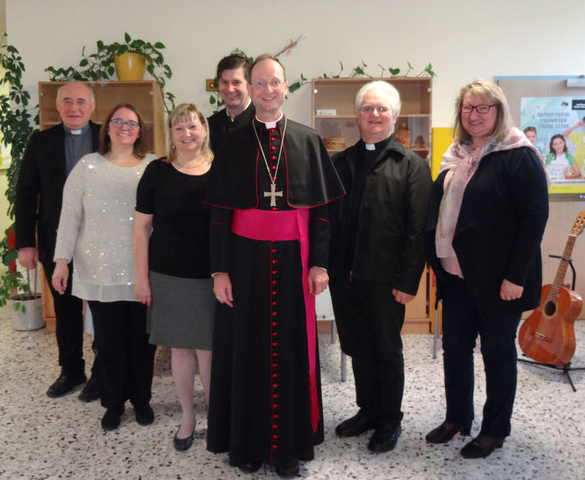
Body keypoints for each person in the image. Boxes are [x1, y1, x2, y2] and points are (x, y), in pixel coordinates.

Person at [205, 54, 345, 478]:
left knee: (290, 349)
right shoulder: (230, 141)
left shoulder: (306, 140)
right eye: (259, 82)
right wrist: (220, 270)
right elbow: (217, 213)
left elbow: (322, 212)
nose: (268, 89)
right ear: (249, 87)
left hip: (293, 260)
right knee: (244, 346)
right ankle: (246, 444)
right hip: (243, 260)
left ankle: (289, 447)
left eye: (275, 82)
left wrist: (319, 264)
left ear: (287, 88)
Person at [424, 80, 548, 459]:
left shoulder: (518, 155)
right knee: (456, 349)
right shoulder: (456, 153)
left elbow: (534, 218)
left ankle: (495, 428)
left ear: (498, 112)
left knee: (496, 353)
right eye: (467, 108)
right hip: (457, 273)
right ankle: (457, 417)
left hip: (499, 280)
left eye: (482, 108)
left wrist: (515, 277)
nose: (474, 115)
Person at [328, 81, 432, 453]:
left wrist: (408, 280)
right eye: (367, 108)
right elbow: (328, 221)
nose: (374, 115)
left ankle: (390, 419)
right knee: (357, 345)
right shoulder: (339, 162)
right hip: (345, 275)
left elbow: (419, 229)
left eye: (382, 109)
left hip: (387, 281)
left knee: (386, 349)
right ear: (357, 115)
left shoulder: (412, 166)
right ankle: (367, 410)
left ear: (394, 115)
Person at [52, 103, 157, 431]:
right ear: (107, 128)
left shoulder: (153, 166)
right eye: (118, 121)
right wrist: (61, 261)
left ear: (140, 130)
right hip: (98, 268)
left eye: (132, 122)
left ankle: (141, 400)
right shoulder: (88, 166)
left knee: (143, 341)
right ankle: (113, 403)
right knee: (109, 343)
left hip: (142, 271)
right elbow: (70, 214)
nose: (124, 127)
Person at [133, 104, 214, 452]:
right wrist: (142, 279)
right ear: (171, 134)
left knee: (209, 351)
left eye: (192, 127)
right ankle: (187, 417)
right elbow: (140, 228)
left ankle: (215, 417)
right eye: (179, 129)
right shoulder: (157, 171)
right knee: (180, 349)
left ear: (204, 130)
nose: (186, 134)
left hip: (213, 275)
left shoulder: (221, 170)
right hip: (168, 273)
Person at [15, 81, 100, 402]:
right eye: (67, 101)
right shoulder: (41, 141)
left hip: (99, 240)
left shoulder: (107, 135)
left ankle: (102, 371)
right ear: (57, 105)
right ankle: (71, 369)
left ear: (92, 107)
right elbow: (26, 194)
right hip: (56, 241)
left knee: (100, 309)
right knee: (65, 308)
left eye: (81, 101)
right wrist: (25, 242)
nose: (74, 108)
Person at [208, 54, 255, 148]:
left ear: (249, 85)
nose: (230, 89)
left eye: (236, 82)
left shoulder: (263, 124)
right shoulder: (210, 126)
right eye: (224, 82)